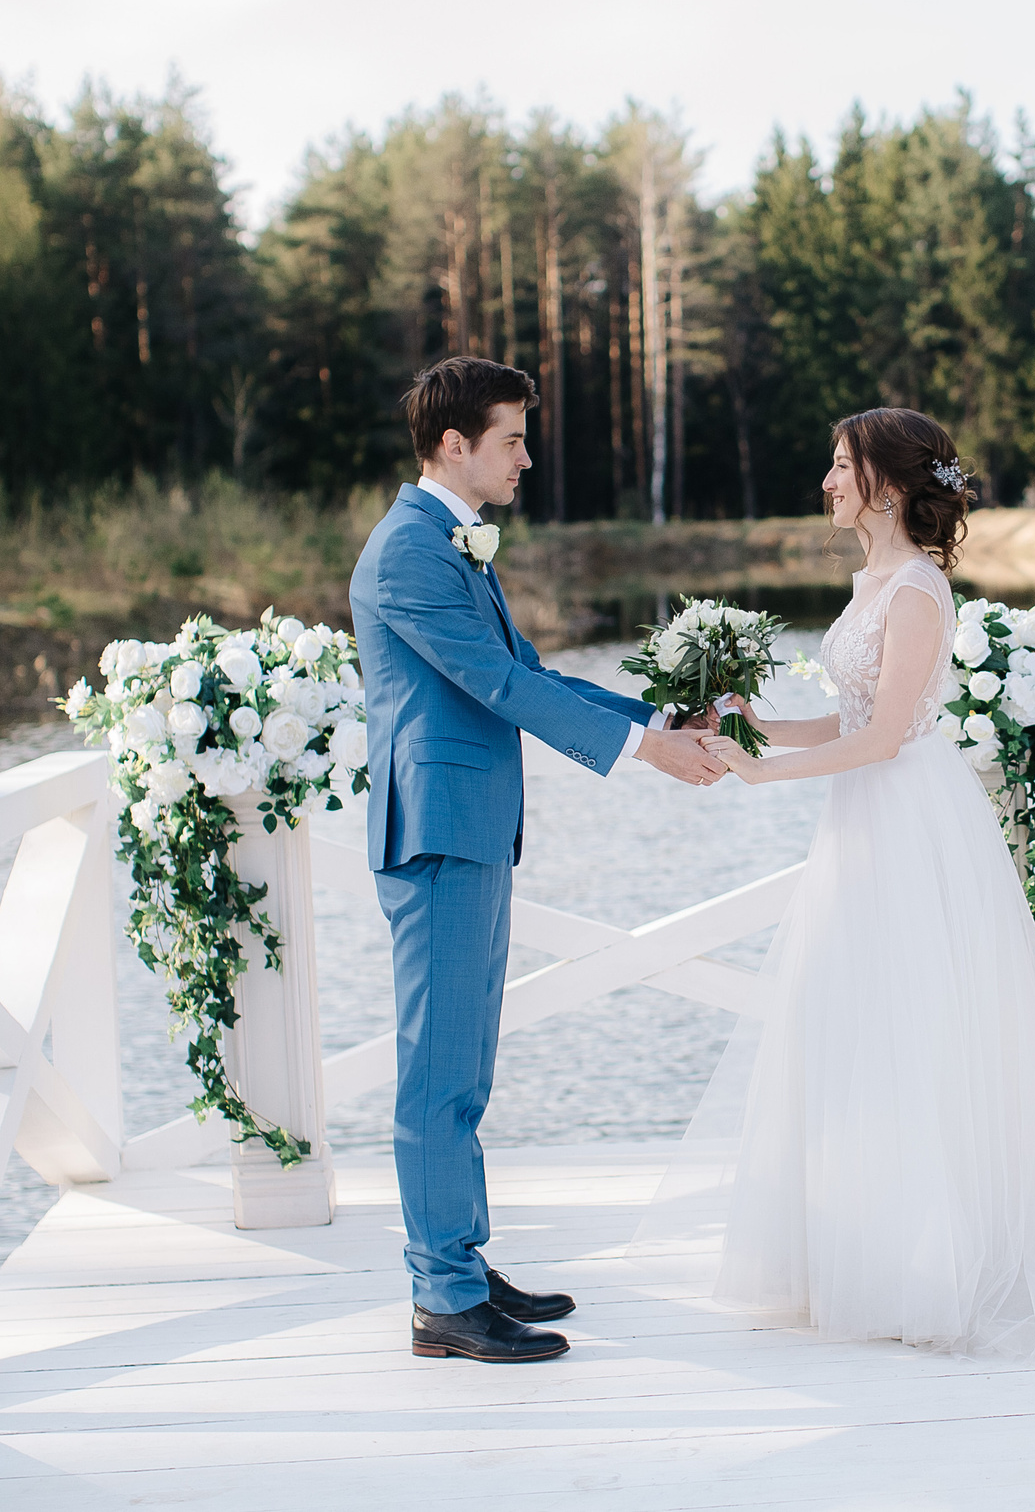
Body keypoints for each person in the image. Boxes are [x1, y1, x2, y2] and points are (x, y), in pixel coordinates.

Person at [667, 406, 1035, 1356]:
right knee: (853, 1019)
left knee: (915, 1023)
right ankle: (859, 1248)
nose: (826, 480)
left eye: (840, 465)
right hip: (863, 816)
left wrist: (765, 773)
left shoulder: (919, 592)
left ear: (886, 484)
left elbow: (889, 737)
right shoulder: (873, 582)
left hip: (906, 816)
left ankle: (934, 1264)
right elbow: (853, 717)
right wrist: (759, 728)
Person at [349, 355, 725, 1365]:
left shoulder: (451, 544)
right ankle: (442, 1297)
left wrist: (658, 717)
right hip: (436, 834)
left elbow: (529, 673)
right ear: (453, 444)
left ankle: (462, 1267)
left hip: (471, 830)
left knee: (464, 1068)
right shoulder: (408, 551)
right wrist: (646, 752)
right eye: (511, 439)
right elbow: (500, 689)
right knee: (437, 1075)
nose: (525, 457)